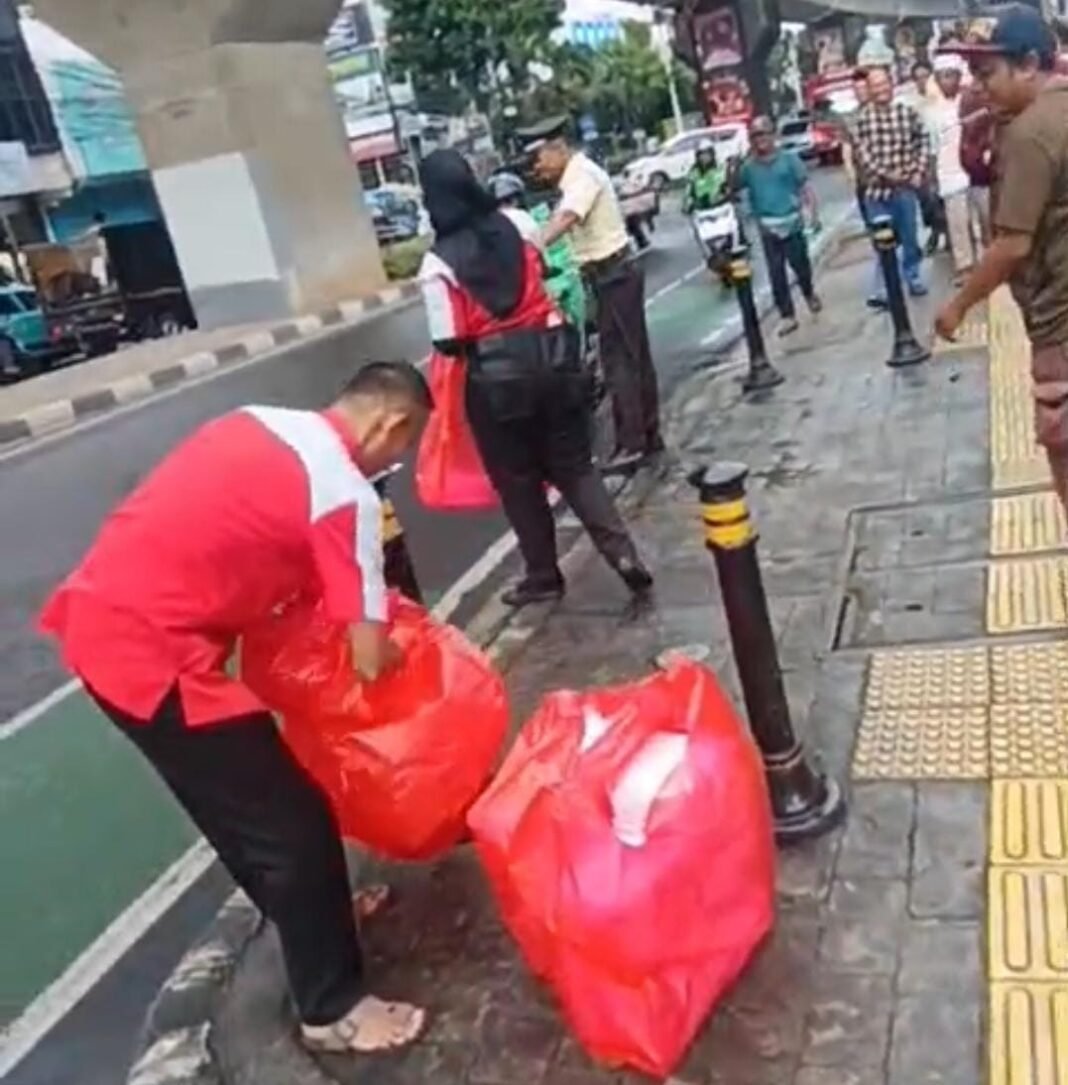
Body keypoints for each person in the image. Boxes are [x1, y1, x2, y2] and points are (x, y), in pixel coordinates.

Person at [38, 363, 433, 1055]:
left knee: (241, 809)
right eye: (404, 446)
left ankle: (310, 916)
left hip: (101, 624)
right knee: (295, 822)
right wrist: (415, 660)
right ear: (391, 425)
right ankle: (332, 1006)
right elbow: (371, 656)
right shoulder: (344, 493)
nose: (394, 461)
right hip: (155, 657)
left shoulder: (258, 421)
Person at [418, 148, 653, 607]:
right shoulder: (521, 224)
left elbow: (447, 340)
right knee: (576, 467)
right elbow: (543, 274)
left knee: (518, 481)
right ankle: (623, 556)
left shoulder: (436, 266)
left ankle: (543, 576)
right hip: (555, 359)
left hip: (495, 383)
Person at [935, 7, 1068, 510]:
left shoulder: (1031, 134)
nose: (978, 86)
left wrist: (959, 305)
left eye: (988, 73)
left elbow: (1012, 244)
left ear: (1029, 63)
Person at [519, 116, 663, 474]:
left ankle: (632, 445)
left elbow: (565, 219)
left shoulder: (581, 176)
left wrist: (526, 248)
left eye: (539, 159)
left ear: (558, 148)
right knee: (632, 356)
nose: (537, 169)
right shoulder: (575, 176)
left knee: (620, 363)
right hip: (611, 274)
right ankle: (648, 435)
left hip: (612, 274)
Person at [733, 115, 823, 337]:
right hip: (767, 227)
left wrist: (813, 213)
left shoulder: (789, 160)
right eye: (755, 135)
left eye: (764, 133)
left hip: (792, 222)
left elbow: (805, 187)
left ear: (773, 135)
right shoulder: (748, 168)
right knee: (776, 273)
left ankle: (809, 292)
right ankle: (787, 315)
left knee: (801, 265)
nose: (760, 139)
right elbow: (736, 192)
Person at [853, 67, 930, 303]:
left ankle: (913, 276)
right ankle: (888, 287)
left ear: (892, 84)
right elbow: (863, 155)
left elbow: (924, 140)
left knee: (909, 238)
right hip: (877, 193)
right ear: (870, 89)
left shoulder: (907, 113)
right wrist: (886, 174)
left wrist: (918, 170)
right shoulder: (862, 119)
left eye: (884, 83)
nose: (881, 89)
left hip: (904, 190)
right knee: (884, 242)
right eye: (875, 85)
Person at [928, 54, 980, 278]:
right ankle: (966, 269)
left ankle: (989, 267)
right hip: (949, 175)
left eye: (950, 75)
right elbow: (932, 149)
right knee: (958, 226)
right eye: (942, 77)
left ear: (959, 77)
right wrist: (932, 180)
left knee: (983, 222)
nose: (946, 81)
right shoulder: (932, 112)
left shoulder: (972, 101)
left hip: (977, 171)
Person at [842, 68, 874, 228]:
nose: (861, 93)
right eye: (857, 90)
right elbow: (847, 148)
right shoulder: (850, 119)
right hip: (865, 181)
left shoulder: (883, 111)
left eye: (864, 88)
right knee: (874, 227)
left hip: (889, 180)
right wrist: (850, 172)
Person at [682, 139, 727, 213]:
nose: (705, 157)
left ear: (712, 154)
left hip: (720, 208)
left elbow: (726, 186)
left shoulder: (720, 168)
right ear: (697, 157)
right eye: (702, 154)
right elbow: (688, 193)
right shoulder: (693, 173)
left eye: (707, 153)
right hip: (701, 211)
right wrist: (689, 205)